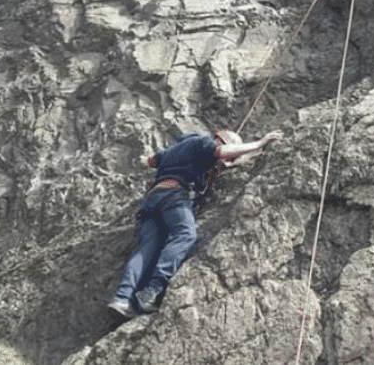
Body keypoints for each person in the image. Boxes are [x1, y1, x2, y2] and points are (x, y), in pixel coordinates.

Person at [108, 128, 284, 319]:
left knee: (145, 250)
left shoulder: (174, 150)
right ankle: (152, 290)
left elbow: (148, 161)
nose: (227, 161)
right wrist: (260, 143)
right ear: (221, 141)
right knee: (185, 234)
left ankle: (122, 298)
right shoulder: (203, 143)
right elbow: (221, 153)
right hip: (174, 196)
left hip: (152, 200)